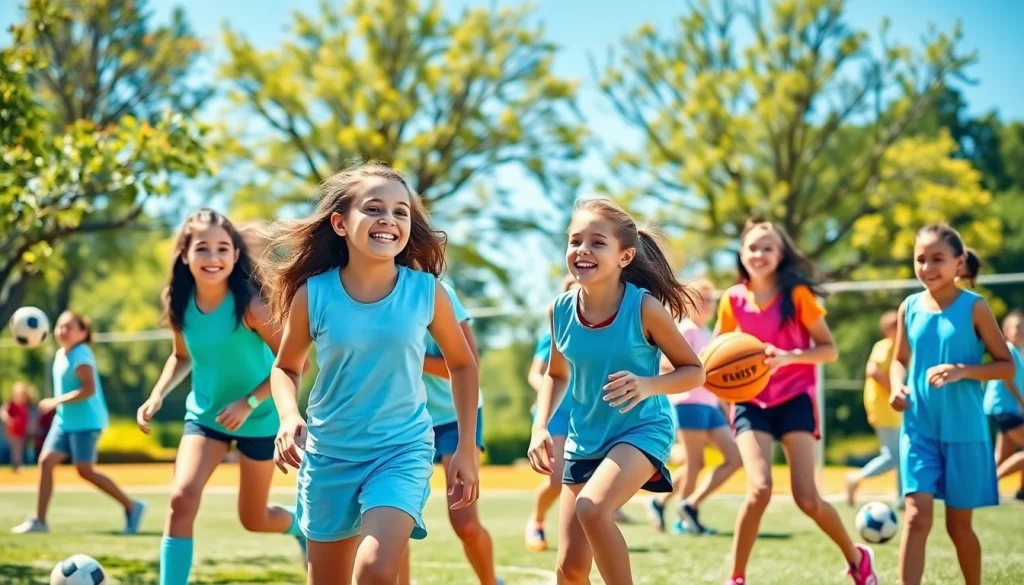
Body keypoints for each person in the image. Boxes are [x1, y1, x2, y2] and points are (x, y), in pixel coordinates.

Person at [264, 162, 480, 585]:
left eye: (401, 212)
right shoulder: (315, 294)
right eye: (375, 209)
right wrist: (289, 417)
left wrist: (467, 450)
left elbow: (463, 364)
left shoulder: (427, 292)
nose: (390, 220)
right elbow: (286, 368)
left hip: (400, 451)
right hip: (328, 454)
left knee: (376, 569)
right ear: (341, 224)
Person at [527, 198, 705, 585]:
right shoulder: (558, 311)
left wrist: (647, 385)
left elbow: (694, 372)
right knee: (570, 570)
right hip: (585, 438)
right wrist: (540, 427)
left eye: (596, 243)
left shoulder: (644, 308)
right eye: (575, 241)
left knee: (593, 508)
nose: (583, 250)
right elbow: (556, 376)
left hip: (641, 430)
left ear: (625, 257)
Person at [135, 209, 306, 585]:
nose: (213, 258)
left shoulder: (252, 307)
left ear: (234, 255)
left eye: (222, 249)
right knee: (181, 498)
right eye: (202, 249)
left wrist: (249, 402)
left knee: (254, 519)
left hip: (260, 419)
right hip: (206, 417)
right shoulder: (177, 300)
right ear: (185, 254)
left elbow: (295, 365)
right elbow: (181, 356)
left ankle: (300, 528)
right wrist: (157, 394)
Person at [717, 220, 877, 585]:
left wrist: (787, 357)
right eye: (753, 247)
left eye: (768, 247)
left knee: (807, 498)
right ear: (742, 254)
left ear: (781, 254)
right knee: (759, 489)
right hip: (749, 402)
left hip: (793, 400)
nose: (759, 254)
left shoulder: (799, 295)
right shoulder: (732, 299)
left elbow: (829, 350)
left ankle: (857, 558)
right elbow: (717, 353)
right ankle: (736, 578)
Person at [888, 223, 1012, 585]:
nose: (927, 268)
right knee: (915, 515)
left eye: (937, 259)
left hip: (964, 431)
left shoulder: (976, 307)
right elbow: (899, 360)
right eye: (920, 259)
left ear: (959, 263)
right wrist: (898, 387)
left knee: (959, 526)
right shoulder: (908, 307)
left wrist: (963, 370)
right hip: (918, 429)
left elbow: (1004, 365)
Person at [399, 281, 503, 585]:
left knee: (465, 524)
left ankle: (490, 581)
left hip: (455, 417)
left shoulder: (438, 292)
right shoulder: (373, 291)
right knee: (393, 518)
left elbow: (466, 364)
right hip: (404, 418)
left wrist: (405, 354)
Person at [11, 311, 146, 535]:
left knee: (84, 470)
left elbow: (89, 389)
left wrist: (57, 401)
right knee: (45, 463)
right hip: (65, 422)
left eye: (69, 327)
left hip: (86, 422)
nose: (62, 331)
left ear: (83, 333)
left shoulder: (81, 354)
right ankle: (40, 521)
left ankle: (132, 506)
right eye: (60, 326)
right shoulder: (60, 354)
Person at [646, 277, 741, 535]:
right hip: (688, 404)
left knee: (735, 458)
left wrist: (726, 407)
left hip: (710, 406)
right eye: (702, 299)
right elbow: (665, 365)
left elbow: (716, 378)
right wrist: (692, 369)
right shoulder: (686, 329)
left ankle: (666, 502)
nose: (707, 305)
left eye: (711, 300)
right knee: (694, 463)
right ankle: (684, 518)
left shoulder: (711, 335)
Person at [846, 310, 903, 508]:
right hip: (883, 407)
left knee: (903, 453)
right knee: (894, 455)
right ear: (887, 330)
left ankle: (902, 497)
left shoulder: (899, 347)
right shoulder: (885, 346)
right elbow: (873, 371)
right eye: (896, 324)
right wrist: (895, 389)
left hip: (894, 408)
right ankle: (856, 477)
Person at [984, 310, 1024, 488]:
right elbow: (1007, 379)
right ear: (1006, 330)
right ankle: (988, 483)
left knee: (1002, 455)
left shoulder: (1019, 352)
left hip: (1007, 409)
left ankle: (1021, 491)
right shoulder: (1006, 349)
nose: (1021, 330)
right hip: (1003, 408)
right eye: (1017, 326)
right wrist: (1022, 402)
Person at [1, 382, 33, 472]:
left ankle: (17, 464)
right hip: (13, 431)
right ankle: (17, 465)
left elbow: (26, 419)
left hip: (21, 432)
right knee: (16, 449)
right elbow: (3, 412)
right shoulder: (11, 404)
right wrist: (8, 420)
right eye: (19, 395)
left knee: (20, 448)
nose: (22, 398)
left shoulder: (24, 406)